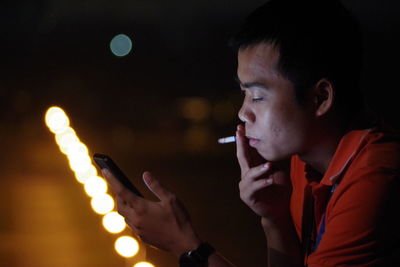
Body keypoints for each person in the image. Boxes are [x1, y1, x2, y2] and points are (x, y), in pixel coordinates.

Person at [102, 0, 400, 266]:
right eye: (244, 94)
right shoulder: (306, 161)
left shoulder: (375, 178)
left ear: (320, 98)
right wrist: (274, 219)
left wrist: (185, 245)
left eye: (258, 96)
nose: (244, 114)